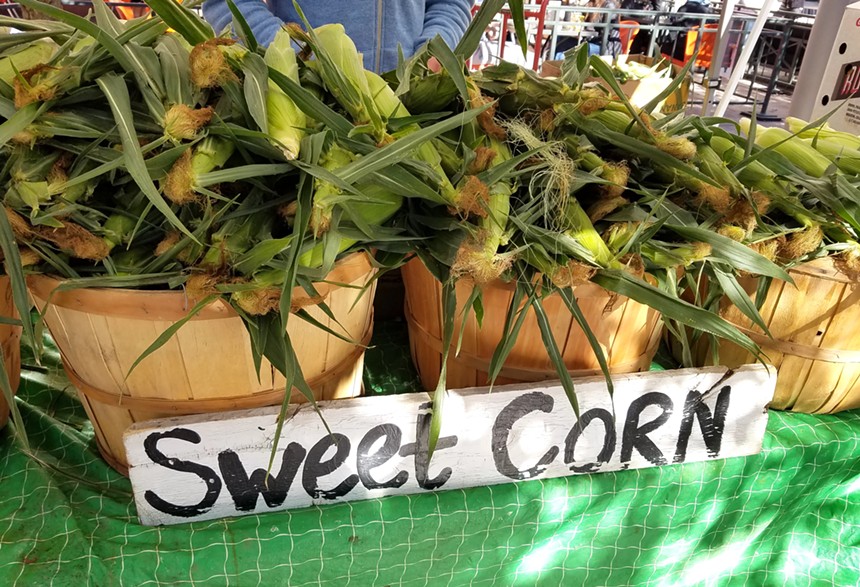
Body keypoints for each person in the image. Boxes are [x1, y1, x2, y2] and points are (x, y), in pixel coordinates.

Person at [201, 0, 474, 73]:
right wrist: (292, 53)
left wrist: (437, 48)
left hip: (411, 110)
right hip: (305, 105)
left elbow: (451, 3)